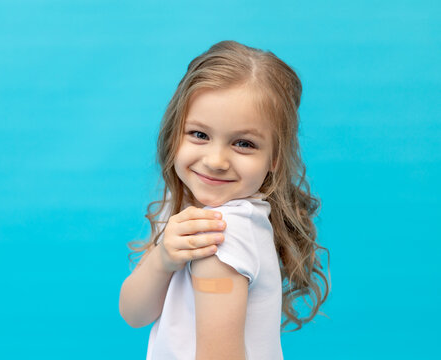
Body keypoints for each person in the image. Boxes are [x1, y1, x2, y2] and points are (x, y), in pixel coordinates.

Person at [119, 40, 331, 360]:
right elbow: (135, 314)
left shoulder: (220, 234)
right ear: (176, 131)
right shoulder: (190, 208)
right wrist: (163, 259)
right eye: (200, 135)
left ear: (274, 159)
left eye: (243, 143)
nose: (216, 160)